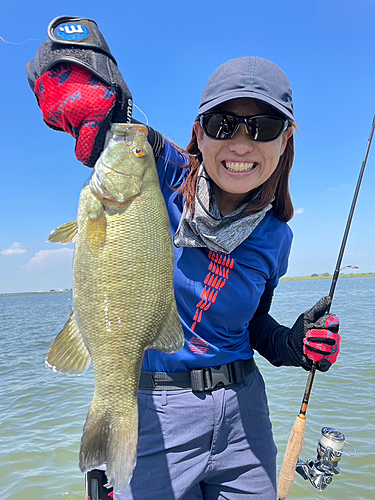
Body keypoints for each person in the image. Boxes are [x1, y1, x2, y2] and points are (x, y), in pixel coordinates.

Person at [26, 16, 341, 500]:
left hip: (245, 418)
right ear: (200, 131)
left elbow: (252, 328)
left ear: (286, 140)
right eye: (223, 123)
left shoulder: (277, 235)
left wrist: (292, 345)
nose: (241, 142)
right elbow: (122, 133)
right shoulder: (164, 173)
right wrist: (84, 73)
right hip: (151, 410)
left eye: (264, 126)